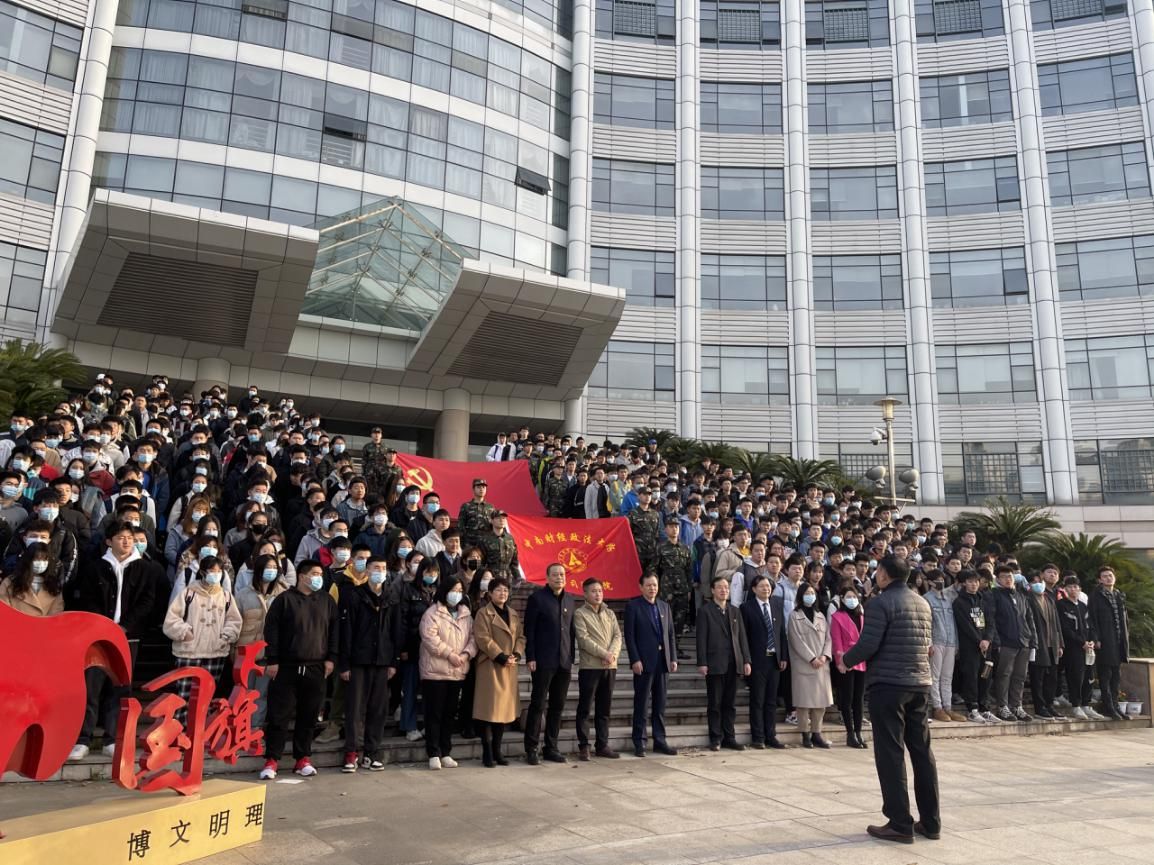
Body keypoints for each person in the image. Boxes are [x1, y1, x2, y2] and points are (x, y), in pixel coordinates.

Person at [842, 556, 939, 845]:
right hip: (920, 684)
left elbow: (869, 643)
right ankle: (931, 822)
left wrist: (846, 660)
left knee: (891, 753)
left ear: (883, 574)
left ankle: (899, 823)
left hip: (889, 685)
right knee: (922, 752)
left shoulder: (880, 603)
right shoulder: (922, 603)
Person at [70, 520, 156, 761]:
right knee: (91, 687)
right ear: (109, 541)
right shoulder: (96, 567)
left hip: (129, 638)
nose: (126, 541)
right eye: (120, 537)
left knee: (120, 689)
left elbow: (147, 601)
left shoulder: (144, 568)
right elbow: (87, 599)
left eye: (130, 537)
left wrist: (125, 626)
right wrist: (104, 626)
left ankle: (112, 739)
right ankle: (83, 739)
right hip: (98, 637)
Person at [260, 559, 339, 780]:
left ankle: (302, 758)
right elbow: (271, 630)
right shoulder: (284, 600)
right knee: (279, 715)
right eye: (314, 574)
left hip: (316, 666)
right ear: (302, 576)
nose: (318, 578)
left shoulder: (326, 600)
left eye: (320, 574)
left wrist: (331, 658)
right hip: (286, 667)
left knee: (309, 715)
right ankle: (272, 759)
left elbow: (335, 631)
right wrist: (272, 659)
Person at [337, 554, 397, 773]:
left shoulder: (391, 597)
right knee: (355, 709)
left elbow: (395, 632)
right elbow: (346, 631)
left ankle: (372, 752)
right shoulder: (355, 596)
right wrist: (344, 664)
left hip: (382, 661)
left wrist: (393, 661)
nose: (380, 572)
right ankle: (351, 752)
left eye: (383, 568)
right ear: (367, 570)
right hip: (358, 661)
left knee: (377, 709)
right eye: (375, 568)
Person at [162, 554, 243, 706]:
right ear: (203, 572)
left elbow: (234, 620)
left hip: (215, 651)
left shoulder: (226, 596)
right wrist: (185, 633)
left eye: (219, 571)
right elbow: (171, 619)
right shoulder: (188, 593)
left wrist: (225, 636)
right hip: (189, 651)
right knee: (184, 695)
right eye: (212, 571)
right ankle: (182, 721)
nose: (216, 575)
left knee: (208, 695)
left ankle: (204, 721)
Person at [417, 564, 476, 771]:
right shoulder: (432, 613)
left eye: (460, 591)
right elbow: (429, 638)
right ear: (445, 591)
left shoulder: (466, 614)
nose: (456, 594)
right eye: (453, 590)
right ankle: (433, 752)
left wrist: (466, 654)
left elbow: (473, 638)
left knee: (449, 714)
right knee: (434, 714)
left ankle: (446, 751)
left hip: (457, 671)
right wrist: (450, 654)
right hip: (435, 672)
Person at [522, 562, 576, 764]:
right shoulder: (537, 599)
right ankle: (531, 748)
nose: (559, 577)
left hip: (564, 661)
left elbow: (571, 631)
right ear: (547, 578)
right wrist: (531, 656)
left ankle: (551, 747)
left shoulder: (570, 600)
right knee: (538, 704)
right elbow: (529, 630)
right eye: (555, 574)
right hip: (543, 661)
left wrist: (571, 656)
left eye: (562, 574)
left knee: (557, 706)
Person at [624, 572, 679, 757]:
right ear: (641, 587)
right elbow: (630, 636)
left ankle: (660, 740)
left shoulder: (664, 606)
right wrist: (634, 659)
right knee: (641, 703)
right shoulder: (633, 606)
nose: (652, 588)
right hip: (643, 662)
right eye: (648, 585)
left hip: (662, 662)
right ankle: (639, 741)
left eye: (655, 585)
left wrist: (673, 658)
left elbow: (670, 634)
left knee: (660, 704)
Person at [472, 576, 524, 767]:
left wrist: (516, 654)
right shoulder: (483, 613)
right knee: (488, 711)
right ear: (490, 593)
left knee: (502, 712)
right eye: (499, 590)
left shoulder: (513, 613)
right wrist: (501, 656)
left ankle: (497, 751)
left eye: (505, 590)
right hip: (490, 665)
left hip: (509, 666)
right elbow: (482, 638)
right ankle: (487, 751)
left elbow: (521, 637)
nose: (503, 593)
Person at [696, 574, 751, 752]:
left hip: (733, 662)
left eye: (726, 588)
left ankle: (730, 737)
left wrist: (746, 660)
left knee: (730, 703)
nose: (724, 590)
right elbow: (701, 639)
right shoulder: (705, 611)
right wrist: (702, 662)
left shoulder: (735, 611)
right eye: (720, 587)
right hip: (714, 663)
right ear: (712, 590)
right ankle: (715, 738)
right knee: (715, 703)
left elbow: (742, 637)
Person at [236, 553, 290, 728]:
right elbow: (235, 623)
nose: (271, 571)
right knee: (243, 692)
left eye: (274, 568)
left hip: (269, 653)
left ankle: (254, 729)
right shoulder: (243, 595)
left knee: (260, 694)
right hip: (246, 652)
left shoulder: (284, 594)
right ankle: (240, 729)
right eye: (268, 567)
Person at [574, 577, 622, 760]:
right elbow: (583, 640)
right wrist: (604, 654)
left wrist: (612, 655)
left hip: (610, 667)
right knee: (585, 708)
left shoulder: (609, 613)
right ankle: (584, 746)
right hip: (590, 667)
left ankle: (602, 745)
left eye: (600, 591)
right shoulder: (580, 614)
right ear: (585, 594)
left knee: (604, 709)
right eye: (593, 591)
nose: (597, 594)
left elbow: (617, 636)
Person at [740, 573, 788, 749]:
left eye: (768, 586)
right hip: (757, 661)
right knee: (757, 700)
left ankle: (771, 736)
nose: (766, 589)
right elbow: (743, 636)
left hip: (774, 660)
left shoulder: (777, 604)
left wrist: (783, 656)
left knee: (771, 701)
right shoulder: (746, 608)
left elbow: (781, 632)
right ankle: (758, 737)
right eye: (762, 586)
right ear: (754, 589)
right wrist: (746, 659)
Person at [787, 581, 833, 749]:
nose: (810, 596)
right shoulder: (794, 615)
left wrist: (824, 656)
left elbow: (828, 639)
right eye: (807, 593)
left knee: (821, 703)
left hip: (821, 665)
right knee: (803, 703)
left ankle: (817, 733)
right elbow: (795, 640)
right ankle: (805, 734)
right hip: (804, 664)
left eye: (812, 593)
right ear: (801, 596)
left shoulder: (821, 616)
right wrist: (811, 658)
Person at [990, 564, 1037, 722]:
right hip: (1005, 642)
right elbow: (991, 619)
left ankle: (1017, 706)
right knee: (1004, 674)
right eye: (1003, 577)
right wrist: (997, 641)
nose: (1007, 579)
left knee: (1020, 676)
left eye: (1009, 576)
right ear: (997, 579)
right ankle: (1002, 706)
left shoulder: (1021, 596)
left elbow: (1029, 619)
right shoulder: (994, 595)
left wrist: (1033, 640)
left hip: (1023, 642)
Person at [952, 569, 1000, 724]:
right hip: (970, 647)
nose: (974, 584)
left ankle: (984, 708)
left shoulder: (982, 600)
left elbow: (990, 622)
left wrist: (987, 639)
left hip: (986, 646)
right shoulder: (959, 602)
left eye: (976, 581)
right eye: (970, 581)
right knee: (971, 676)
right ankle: (972, 709)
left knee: (985, 676)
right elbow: (965, 625)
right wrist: (979, 641)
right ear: (964, 583)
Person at [1057, 574, 1101, 720]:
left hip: (1088, 648)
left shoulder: (1083, 606)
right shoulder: (1061, 605)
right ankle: (1075, 705)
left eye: (1075, 587)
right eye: (1070, 587)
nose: (1073, 589)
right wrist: (1081, 642)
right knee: (1076, 677)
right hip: (1073, 648)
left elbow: (1091, 626)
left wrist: (1092, 641)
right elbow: (1065, 629)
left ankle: (1086, 705)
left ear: (1080, 589)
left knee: (1089, 677)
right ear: (1065, 589)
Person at [1089, 566, 1130, 720]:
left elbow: (1125, 619)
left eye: (1110, 575)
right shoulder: (1096, 596)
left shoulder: (1119, 595)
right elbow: (1092, 619)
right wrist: (1096, 638)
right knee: (1105, 675)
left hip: (1119, 640)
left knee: (1116, 676)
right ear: (1100, 580)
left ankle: (1116, 705)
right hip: (1105, 641)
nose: (1108, 578)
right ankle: (1108, 707)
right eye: (1104, 576)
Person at [924, 570, 965, 723]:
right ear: (930, 582)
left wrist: (956, 643)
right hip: (936, 641)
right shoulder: (926, 599)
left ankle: (948, 707)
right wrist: (929, 643)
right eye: (937, 579)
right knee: (935, 676)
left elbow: (953, 622)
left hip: (950, 641)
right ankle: (937, 707)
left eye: (942, 579)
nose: (940, 582)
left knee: (947, 676)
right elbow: (926, 623)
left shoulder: (948, 599)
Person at [830, 584, 867, 748]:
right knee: (847, 698)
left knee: (859, 698)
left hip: (861, 660)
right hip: (846, 660)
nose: (852, 600)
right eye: (848, 597)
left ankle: (858, 732)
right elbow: (836, 641)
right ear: (842, 599)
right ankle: (850, 733)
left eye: (854, 597)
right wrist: (841, 662)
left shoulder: (862, 616)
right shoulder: (837, 617)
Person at [1026, 571, 1064, 720]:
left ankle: (1049, 704)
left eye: (1039, 581)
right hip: (1038, 643)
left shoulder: (1049, 599)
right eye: (1034, 582)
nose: (1038, 584)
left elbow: (1057, 623)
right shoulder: (1028, 599)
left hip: (1052, 644)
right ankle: (1039, 707)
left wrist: (1060, 644)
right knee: (1038, 678)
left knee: (1052, 677)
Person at [0, 541, 65, 616]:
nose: (41, 563)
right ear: (28, 560)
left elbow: (56, 613)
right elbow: (4, 609)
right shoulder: (10, 582)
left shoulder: (54, 586)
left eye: (44, 559)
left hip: (44, 623)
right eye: (37, 559)